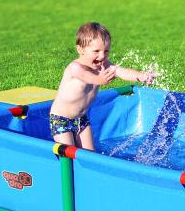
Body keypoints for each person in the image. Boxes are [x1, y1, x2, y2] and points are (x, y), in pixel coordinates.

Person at [50, 22, 155, 150]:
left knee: (90, 154)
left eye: (106, 51)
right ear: (80, 50)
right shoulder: (75, 68)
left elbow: (119, 71)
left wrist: (142, 76)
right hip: (61, 120)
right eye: (96, 51)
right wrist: (101, 79)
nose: (102, 55)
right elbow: (91, 78)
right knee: (68, 153)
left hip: (81, 119)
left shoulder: (102, 64)